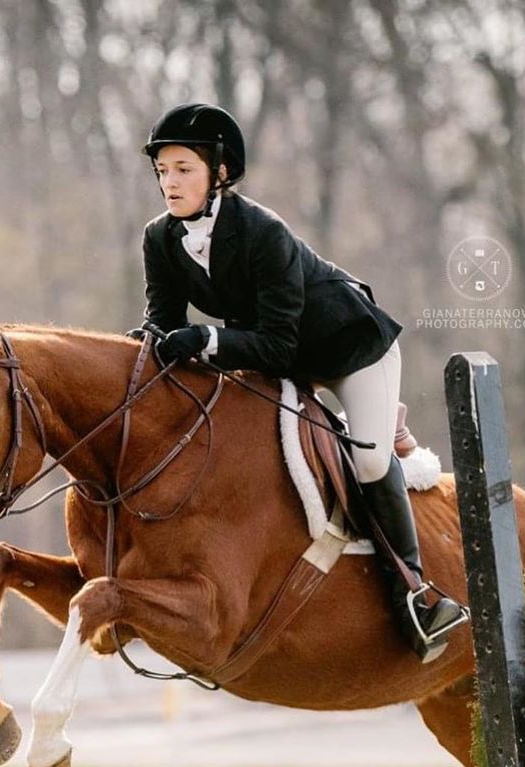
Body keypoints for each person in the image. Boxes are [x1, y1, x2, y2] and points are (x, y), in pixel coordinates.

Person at [130, 102, 465, 663]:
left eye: (183, 168)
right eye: (163, 170)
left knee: (367, 463)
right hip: (276, 356)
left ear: (219, 173)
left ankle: (419, 596)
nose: (170, 182)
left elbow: (277, 344)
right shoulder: (159, 239)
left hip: (351, 350)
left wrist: (206, 341)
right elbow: (163, 321)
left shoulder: (263, 232)